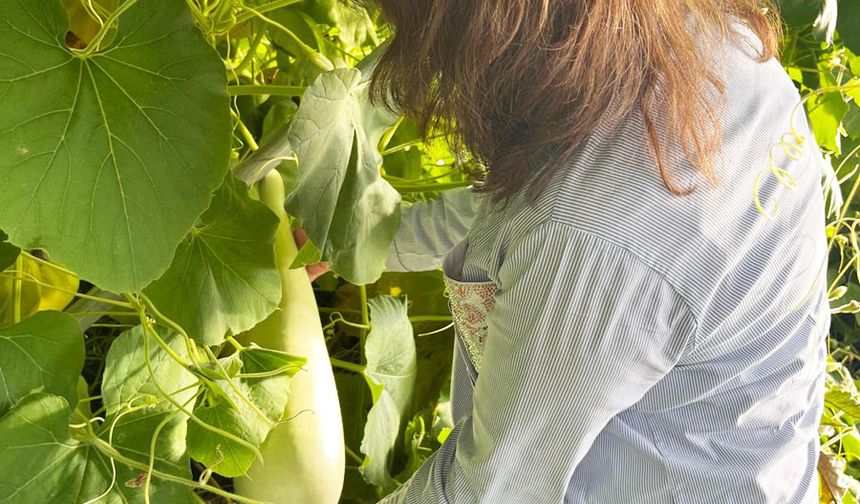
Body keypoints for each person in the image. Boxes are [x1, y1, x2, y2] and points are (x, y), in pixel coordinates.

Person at [318, 1, 832, 502]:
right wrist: (354, 240)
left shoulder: (587, 246)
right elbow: (524, 202)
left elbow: (491, 490)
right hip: (766, 463)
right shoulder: (700, 35)